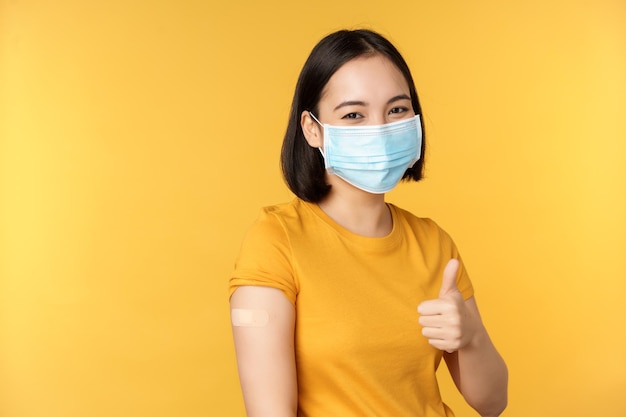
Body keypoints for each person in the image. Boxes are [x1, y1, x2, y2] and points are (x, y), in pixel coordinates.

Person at [229, 29, 508, 417]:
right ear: (313, 129)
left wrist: (470, 336)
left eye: (396, 110)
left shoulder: (434, 243)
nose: (379, 128)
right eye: (353, 115)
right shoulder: (277, 240)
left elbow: (493, 403)